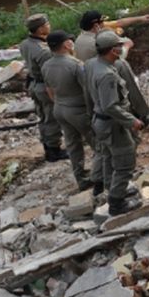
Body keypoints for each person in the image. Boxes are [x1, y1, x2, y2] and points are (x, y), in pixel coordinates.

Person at [83, 30, 144, 217]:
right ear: (112, 51)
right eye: (118, 46)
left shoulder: (92, 64)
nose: (121, 48)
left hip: (100, 121)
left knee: (109, 158)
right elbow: (110, 106)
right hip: (113, 124)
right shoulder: (107, 74)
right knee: (125, 162)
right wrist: (131, 120)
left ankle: (113, 190)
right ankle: (117, 204)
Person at [42, 31, 100, 193]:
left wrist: (60, 104)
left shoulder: (46, 65)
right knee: (98, 144)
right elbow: (88, 90)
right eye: (70, 41)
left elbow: (49, 90)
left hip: (59, 108)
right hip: (78, 110)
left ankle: (81, 179)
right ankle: (100, 177)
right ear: (66, 45)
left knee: (73, 145)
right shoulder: (75, 65)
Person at [19, 14, 68, 163]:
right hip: (44, 86)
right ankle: (54, 150)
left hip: (33, 84)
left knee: (43, 117)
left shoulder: (25, 44)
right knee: (52, 118)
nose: (49, 25)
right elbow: (49, 74)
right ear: (40, 29)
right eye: (47, 24)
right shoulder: (44, 51)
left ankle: (48, 146)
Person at [74, 9, 149, 62]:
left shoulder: (81, 36)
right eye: (102, 22)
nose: (104, 23)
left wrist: (140, 18)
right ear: (96, 25)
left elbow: (119, 23)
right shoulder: (98, 42)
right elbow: (117, 58)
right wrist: (127, 46)